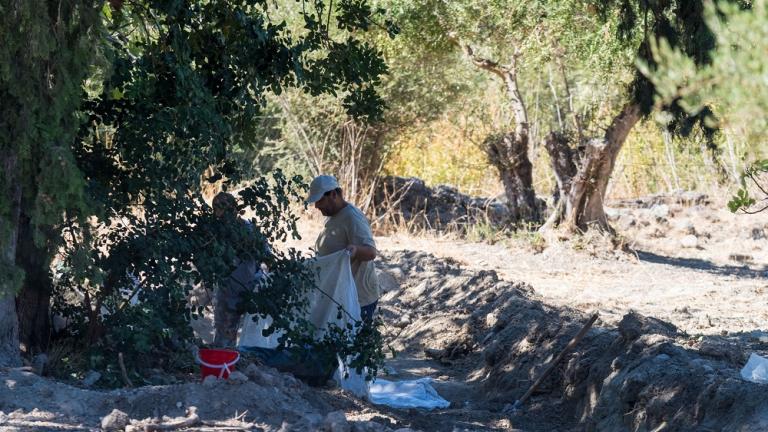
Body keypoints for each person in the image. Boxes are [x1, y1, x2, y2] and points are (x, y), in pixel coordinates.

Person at [306, 175, 380, 323]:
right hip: (341, 298)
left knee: (354, 344)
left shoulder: (352, 217)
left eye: (320, 200)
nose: (317, 206)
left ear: (333, 194)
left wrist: (356, 250)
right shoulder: (335, 216)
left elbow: (371, 252)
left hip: (359, 300)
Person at [210, 192, 259, 347]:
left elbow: (264, 255)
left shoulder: (246, 229)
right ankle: (224, 360)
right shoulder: (219, 231)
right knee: (224, 330)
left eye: (221, 209)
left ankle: (225, 361)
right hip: (229, 287)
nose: (218, 214)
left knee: (228, 331)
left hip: (240, 287)